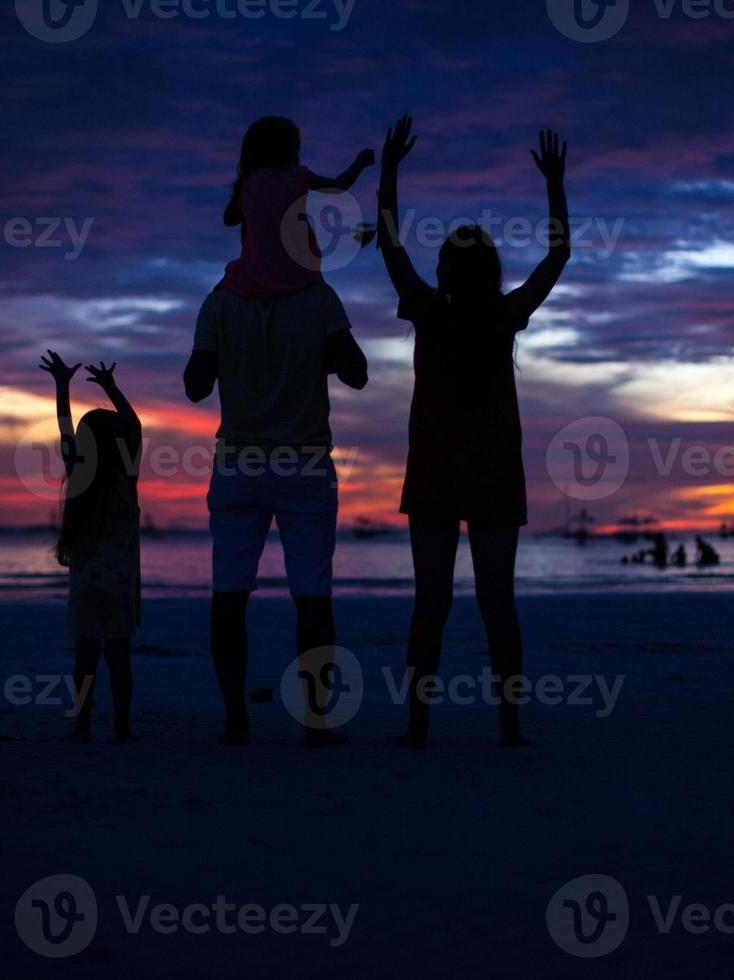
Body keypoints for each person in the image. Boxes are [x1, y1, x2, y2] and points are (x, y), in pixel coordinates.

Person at [377, 116, 570, 748]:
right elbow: (558, 255)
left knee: (431, 603)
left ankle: (416, 725)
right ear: (488, 270)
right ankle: (508, 727)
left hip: (437, 477)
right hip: (489, 479)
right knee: (496, 603)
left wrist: (390, 168)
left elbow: (388, 243)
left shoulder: (430, 312)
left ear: (446, 270)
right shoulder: (503, 315)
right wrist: (554, 185)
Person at [183, 269, 368, 748]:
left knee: (229, 594)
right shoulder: (319, 297)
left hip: (238, 464)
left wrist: (239, 355)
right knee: (312, 596)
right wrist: (303, 352)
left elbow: (195, 386)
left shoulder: (220, 300)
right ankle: (315, 721)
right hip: (304, 464)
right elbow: (357, 373)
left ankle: (235, 720)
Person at [40, 351, 141, 743]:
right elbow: (134, 425)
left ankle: (81, 725)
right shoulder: (126, 476)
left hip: (86, 583)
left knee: (85, 656)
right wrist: (112, 388)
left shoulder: (80, 475)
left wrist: (63, 385)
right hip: (119, 584)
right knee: (119, 656)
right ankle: (122, 726)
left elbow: (65, 430)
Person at [220, 116, 375, 299]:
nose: (298, 155)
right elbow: (338, 186)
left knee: (222, 291)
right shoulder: (298, 176)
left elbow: (228, 219)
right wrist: (359, 163)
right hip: (301, 273)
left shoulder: (249, 183)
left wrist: (256, 208)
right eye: (296, 149)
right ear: (282, 149)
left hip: (257, 275)